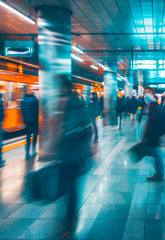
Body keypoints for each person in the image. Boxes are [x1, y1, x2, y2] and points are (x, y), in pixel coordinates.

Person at [56, 75, 93, 230]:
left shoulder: (72, 104)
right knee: (69, 187)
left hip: (73, 154)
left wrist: (61, 139)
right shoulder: (76, 103)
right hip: (73, 154)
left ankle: (69, 221)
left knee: (70, 188)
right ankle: (70, 216)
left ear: (64, 88)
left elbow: (73, 130)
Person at [142, 87, 164, 181]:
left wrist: (145, 136)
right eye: (144, 92)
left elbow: (150, 121)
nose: (145, 94)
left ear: (151, 93)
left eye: (147, 92)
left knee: (156, 152)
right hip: (153, 133)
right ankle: (159, 172)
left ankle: (159, 173)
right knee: (155, 152)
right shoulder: (150, 103)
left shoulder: (153, 104)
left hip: (153, 133)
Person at [21, 92, 39, 160]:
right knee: (35, 135)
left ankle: (27, 153)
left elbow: (22, 110)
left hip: (27, 121)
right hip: (35, 121)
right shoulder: (35, 100)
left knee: (28, 137)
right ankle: (34, 151)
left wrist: (24, 119)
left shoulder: (24, 100)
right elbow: (38, 110)